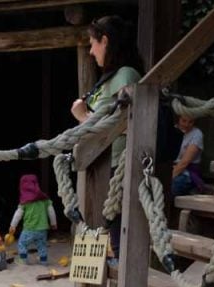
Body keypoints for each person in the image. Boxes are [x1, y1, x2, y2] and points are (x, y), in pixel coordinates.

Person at [70, 15, 144, 256]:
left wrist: (82, 116)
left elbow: (126, 124)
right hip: (99, 164)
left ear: (105, 41)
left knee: (113, 240)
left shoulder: (126, 76)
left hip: (116, 167)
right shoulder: (113, 77)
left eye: (93, 43)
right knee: (98, 233)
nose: (91, 52)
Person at [7, 174, 57, 265]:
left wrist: (12, 225)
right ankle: (43, 261)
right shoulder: (44, 199)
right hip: (42, 229)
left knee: (22, 244)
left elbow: (18, 214)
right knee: (42, 245)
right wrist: (53, 223)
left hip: (29, 229)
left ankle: (23, 260)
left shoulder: (25, 201)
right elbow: (51, 211)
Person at [171, 115, 207, 197]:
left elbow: (185, 162)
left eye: (190, 122)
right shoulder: (172, 130)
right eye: (184, 121)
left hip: (187, 172)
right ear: (179, 119)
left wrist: (170, 177)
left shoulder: (197, 134)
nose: (186, 124)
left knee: (172, 187)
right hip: (170, 167)